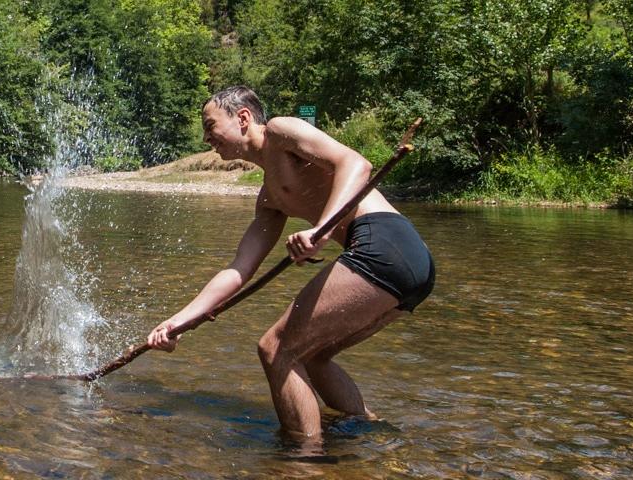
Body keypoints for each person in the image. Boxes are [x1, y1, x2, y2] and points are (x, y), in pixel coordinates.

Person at [144, 86, 435, 454]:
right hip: (409, 267)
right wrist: (178, 323)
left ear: (244, 118)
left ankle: (303, 461)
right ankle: (375, 441)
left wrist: (322, 230)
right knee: (312, 355)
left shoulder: (282, 131)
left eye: (210, 125)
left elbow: (356, 164)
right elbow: (238, 270)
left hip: (385, 244)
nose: (206, 137)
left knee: (275, 349)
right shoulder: (269, 199)